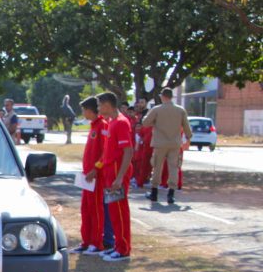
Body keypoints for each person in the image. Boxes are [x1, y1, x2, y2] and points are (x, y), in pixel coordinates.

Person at [93, 92, 134, 261]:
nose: (98, 109)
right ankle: (117, 246)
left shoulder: (121, 123)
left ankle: (123, 249)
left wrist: (120, 177)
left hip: (117, 174)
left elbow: (128, 151)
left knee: (119, 212)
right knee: (113, 212)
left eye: (99, 105)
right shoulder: (112, 122)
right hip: (110, 174)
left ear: (108, 105)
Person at [141, 87, 192, 204]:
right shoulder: (180, 110)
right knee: (173, 168)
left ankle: (154, 192)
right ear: (171, 96)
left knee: (157, 167)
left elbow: (145, 122)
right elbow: (187, 128)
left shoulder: (157, 109)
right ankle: (171, 193)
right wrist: (188, 138)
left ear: (162, 96)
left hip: (160, 143)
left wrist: (154, 122)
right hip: (174, 143)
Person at [75, 97, 106, 254]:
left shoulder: (102, 126)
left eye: (84, 110)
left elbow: (105, 152)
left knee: (95, 209)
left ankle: (96, 242)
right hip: (86, 177)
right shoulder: (93, 126)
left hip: (95, 176)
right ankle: (86, 241)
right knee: (86, 209)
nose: (83, 113)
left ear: (90, 109)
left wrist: (96, 169)